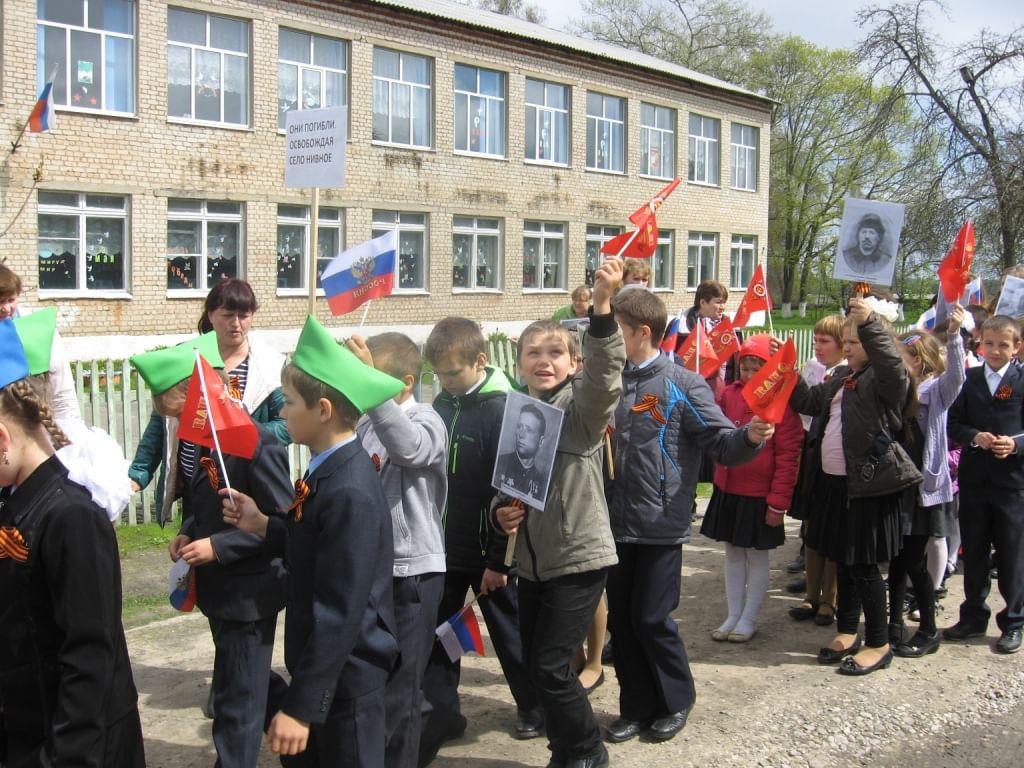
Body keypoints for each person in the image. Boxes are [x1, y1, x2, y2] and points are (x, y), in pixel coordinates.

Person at [221, 315, 405, 766]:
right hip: (328, 675)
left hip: (346, 680)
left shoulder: (350, 491)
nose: (282, 413)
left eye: (288, 402)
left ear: (322, 410)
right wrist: (265, 524)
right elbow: (317, 542)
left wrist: (301, 707)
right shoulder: (329, 467)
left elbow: (340, 610)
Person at [604, 289, 772, 747]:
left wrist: (750, 436)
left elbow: (721, 444)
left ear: (641, 333)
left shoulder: (684, 383)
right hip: (611, 523)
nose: (607, 337)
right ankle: (635, 708)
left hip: (660, 521)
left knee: (652, 618)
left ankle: (676, 699)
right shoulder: (607, 381)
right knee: (622, 622)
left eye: (615, 327)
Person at [130, 331, 293, 768]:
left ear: (200, 396)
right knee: (245, 678)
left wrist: (218, 547)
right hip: (218, 592)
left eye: (177, 411)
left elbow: (281, 525)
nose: (176, 423)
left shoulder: (258, 443)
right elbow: (203, 502)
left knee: (237, 701)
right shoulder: (197, 440)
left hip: (249, 591)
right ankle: (309, 740)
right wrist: (187, 531)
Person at [494, 257, 624, 768]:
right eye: (533, 353)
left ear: (573, 364)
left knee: (550, 667)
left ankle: (588, 752)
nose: (543, 360)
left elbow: (605, 379)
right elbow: (506, 488)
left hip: (578, 556)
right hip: (530, 562)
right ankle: (566, 745)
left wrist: (602, 309)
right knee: (538, 665)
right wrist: (500, 514)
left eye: (555, 353)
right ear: (520, 362)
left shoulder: (579, 415)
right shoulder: (518, 411)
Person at [0, 316, 145, 767]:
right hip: (28, 728)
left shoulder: (71, 517)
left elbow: (89, 661)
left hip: (74, 748)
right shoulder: (17, 503)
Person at [421, 317, 540, 763]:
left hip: (491, 553)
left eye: (454, 373)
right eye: (440, 375)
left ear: (480, 361)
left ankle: (533, 705)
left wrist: (499, 561)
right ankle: (442, 712)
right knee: (439, 634)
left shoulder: (504, 409)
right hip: (445, 548)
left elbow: (511, 493)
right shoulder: (441, 405)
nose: (447, 383)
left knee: (510, 633)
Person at [789, 296, 921, 676]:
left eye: (855, 341)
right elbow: (809, 403)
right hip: (834, 487)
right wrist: (786, 372)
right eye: (846, 341)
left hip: (866, 488)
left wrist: (871, 325)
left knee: (863, 567)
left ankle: (878, 643)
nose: (847, 347)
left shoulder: (883, 381)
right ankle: (847, 630)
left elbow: (894, 369)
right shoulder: (839, 379)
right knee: (843, 561)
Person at [347, 332, 447, 768]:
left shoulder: (429, 419)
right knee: (377, 682)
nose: (366, 389)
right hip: (373, 571)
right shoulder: (366, 424)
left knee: (402, 692)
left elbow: (409, 447)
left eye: (375, 379)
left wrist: (372, 394)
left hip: (414, 573)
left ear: (405, 383)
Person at [130, 278, 289, 526]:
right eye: (227, 315)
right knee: (194, 548)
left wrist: (239, 435)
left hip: (244, 487)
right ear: (211, 314)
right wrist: (139, 473)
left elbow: (287, 423)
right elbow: (160, 423)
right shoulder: (189, 357)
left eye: (244, 315)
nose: (236, 324)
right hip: (197, 483)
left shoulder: (269, 366)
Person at [701, 334, 803, 643]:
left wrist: (778, 502)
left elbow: (788, 455)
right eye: (744, 368)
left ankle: (750, 617)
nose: (748, 375)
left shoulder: (780, 404)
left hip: (760, 496)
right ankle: (733, 613)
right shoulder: (729, 395)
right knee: (733, 554)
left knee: (757, 558)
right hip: (729, 489)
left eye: (755, 368)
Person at [888, 309, 966, 657]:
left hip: (925, 492)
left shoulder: (935, 393)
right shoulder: (898, 393)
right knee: (897, 559)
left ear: (919, 361)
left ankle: (928, 628)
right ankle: (892, 624)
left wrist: (956, 336)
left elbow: (956, 377)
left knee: (913, 562)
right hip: (897, 489)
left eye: (902, 359)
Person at [945, 315, 1024, 654]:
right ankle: (973, 616)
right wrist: (973, 437)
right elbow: (954, 423)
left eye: (1003, 345)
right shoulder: (970, 379)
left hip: (1011, 484)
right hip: (975, 481)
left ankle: (1014, 620)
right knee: (974, 550)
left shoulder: (1022, 381)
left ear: (1016, 347)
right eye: (989, 344)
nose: (995, 350)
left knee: (1011, 554)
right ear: (980, 344)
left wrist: (1017, 444)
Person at [787, 314, 847, 625]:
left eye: (825, 341)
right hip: (816, 461)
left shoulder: (847, 375)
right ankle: (811, 595)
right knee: (811, 531)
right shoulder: (821, 373)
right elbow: (807, 403)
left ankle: (829, 599)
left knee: (833, 534)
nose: (818, 346)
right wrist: (790, 371)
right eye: (817, 340)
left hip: (839, 466)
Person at [0, 264, 80, 421]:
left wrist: (71, 428)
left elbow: (62, 392)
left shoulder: (38, 329)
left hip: (35, 428)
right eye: (0, 301)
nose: (6, 308)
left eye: (11, 300)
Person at [496, 403, 549, 501]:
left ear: (541, 441)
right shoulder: (499, 463)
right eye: (520, 426)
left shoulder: (542, 482)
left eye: (529, 430)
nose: (521, 434)